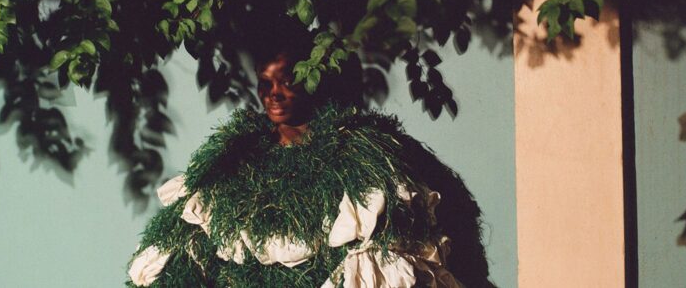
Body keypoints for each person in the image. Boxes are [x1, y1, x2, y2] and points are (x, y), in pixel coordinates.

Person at [126, 24, 493, 287]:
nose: (274, 94)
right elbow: (186, 246)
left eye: (287, 81)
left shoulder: (357, 153)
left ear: (312, 80)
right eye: (266, 84)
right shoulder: (237, 158)